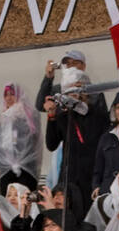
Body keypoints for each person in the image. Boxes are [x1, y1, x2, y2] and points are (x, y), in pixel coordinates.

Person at [44, 69, 107, 210]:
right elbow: (51, 144)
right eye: (69, 90)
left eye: (77, 88)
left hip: (91, 176)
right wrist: (51, 116)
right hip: (69, 177)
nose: (74, 94)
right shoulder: (64, 116)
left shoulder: (97, 115)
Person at [0, 85, 41, 194]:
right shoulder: (1, 116)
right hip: (6, 167)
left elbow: (32, 140)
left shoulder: (28, 114)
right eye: (6, 95)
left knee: (24, 197)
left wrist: (20, 159)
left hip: (26, 167)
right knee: (7, 197)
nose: (9, 98)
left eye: (12, 94)